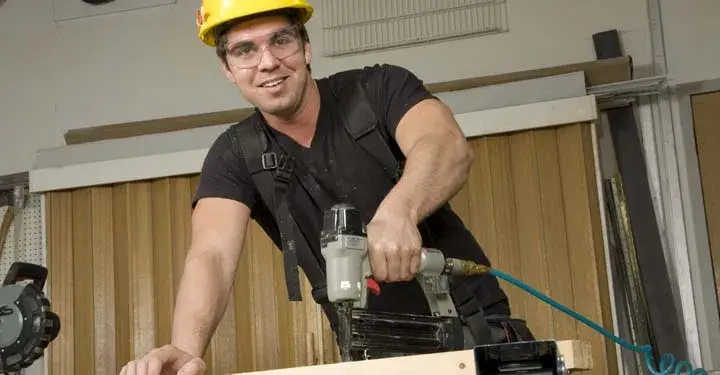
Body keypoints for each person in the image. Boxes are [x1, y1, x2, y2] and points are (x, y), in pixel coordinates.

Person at [119, 1, 534, 374]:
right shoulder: (235, 155)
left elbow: (446, 146)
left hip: (476, 333)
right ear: (228, 69)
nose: (267, 62)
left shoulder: (379, 90)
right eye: (245, 50)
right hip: (373, 354)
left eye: (280, 41)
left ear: (305, 47)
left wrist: (399, 211)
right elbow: (210, 255)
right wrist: (185, 348)